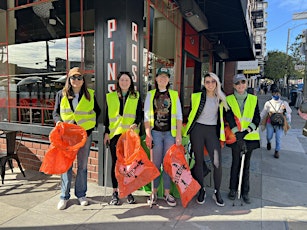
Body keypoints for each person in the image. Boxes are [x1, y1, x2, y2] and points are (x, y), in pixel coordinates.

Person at [53, 67, 101, 210]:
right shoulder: (60, 94)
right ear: (69, 79)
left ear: (83, 80)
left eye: (79, 78)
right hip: (67, 136)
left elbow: (97, 112)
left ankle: (81, 195)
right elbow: (55, 113)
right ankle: (64, 196)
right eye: (73, 77)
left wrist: (90, 127)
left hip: (83, 136)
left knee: (82, 166)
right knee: (66, 166)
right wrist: (58, 122)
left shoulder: (90, 94)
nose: (76, 80)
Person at [183, 72, 229, 206]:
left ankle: (217, 192)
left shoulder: (221, 98)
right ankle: (201, 189)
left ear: (217, 83)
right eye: (207, 82)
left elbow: (228, 116)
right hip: (197, 130)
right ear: (204, 83)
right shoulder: (196, 96)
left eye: (212, 81)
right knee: (198, 161)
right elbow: (190, 114)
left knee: (217, 163)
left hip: (212, 132)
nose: (210, 84)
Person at [144, 67, 182, 207]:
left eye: (165, 77)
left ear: (168, 80)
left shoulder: (173, 94)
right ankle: (153, 193)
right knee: (155, 164)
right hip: (156, 133)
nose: (163, 79)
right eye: (160, 76)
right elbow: (147, 116)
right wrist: (148, 134)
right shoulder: (150, 94)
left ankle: (166, 193)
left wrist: (178, 135)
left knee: (167, 164)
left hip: (170, 134)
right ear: (156, 78)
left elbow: (178, 116)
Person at [103, 71, 142, 205]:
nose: (124, 82)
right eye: (122, 80)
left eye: (127, 80)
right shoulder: (111, 96)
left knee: (128, 165)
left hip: (129, 135)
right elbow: (106, 116)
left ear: (130, 82)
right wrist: (106, 133)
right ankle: (115, 192)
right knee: (115, 163)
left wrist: (136, 123)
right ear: (118, 82)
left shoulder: (135, 96)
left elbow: (139, 114)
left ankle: (128, 191)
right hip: (114, 135)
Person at [225, 73, 260, 204]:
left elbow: (257, 118)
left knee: (246, 165)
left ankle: (245, 191)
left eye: (243, 82)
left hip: (249, 137)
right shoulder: (228, 99)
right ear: (234, 85)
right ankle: (233, 189)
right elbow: (227, 117)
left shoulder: (253, 99)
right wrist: (237, 133)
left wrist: (246, 132)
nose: (240, 85)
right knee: (235, 163)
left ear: (246, 84)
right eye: (238, 83)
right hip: (235, 137)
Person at [260, 88, 292, 159]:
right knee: (269, 136)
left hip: (280, 122)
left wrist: (285, 111)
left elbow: (289, 112)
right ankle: (269, 142)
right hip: (270, 121)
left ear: (280, 94)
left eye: (278, 93)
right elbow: (264, 112)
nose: (276, 94)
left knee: (278, 137)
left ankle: (277, 151)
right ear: (272, 94)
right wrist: (259, 119)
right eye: (275, 93)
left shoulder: (284, 103)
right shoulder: (268, 103)